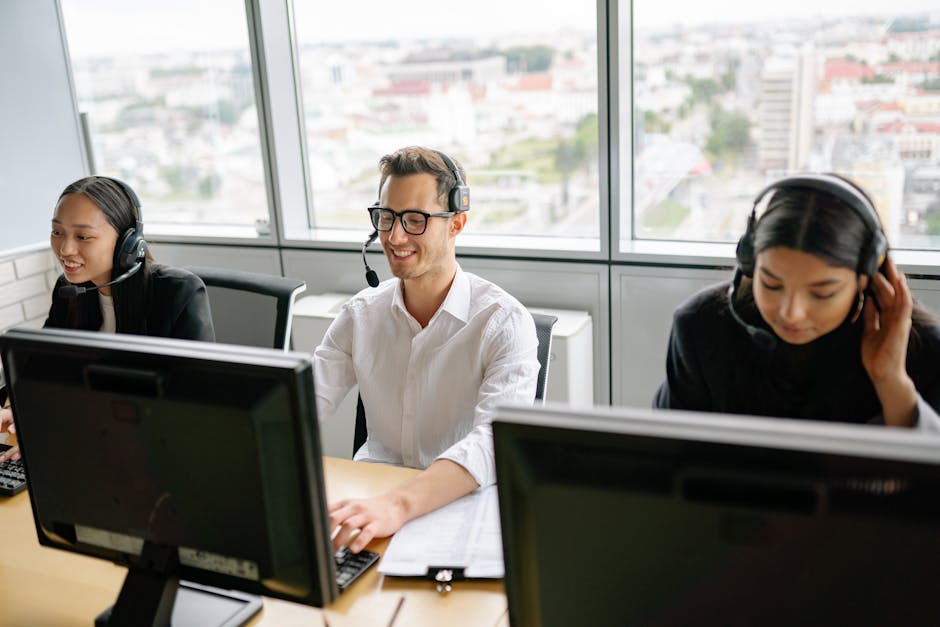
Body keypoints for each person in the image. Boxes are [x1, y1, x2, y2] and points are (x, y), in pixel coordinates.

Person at [315, 146, 540, 553]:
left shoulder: (504, 322)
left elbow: (493, 443)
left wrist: (398, 505)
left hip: (462, 508)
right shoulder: (361, 315)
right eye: (386, 218)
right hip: (374, 502)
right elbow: (302, 401)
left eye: (415, 220)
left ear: (457, 223)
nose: (395, 237)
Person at [654, 173, 940, 431]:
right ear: (750, 265)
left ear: (867, 277)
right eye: (771, 284)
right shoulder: (701, 326)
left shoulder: (924, 349)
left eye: (822, 293)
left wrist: (890, 379)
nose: (791, 314)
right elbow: (666, 454)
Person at [0, 176, 215, 461]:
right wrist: (18, 404)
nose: (65, 250)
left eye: (83, 236)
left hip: (159, 457)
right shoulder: (71, 292)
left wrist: (66, 433)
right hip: (93, 452)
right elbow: (42, 368)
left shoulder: (176, 292)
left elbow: (194, 405)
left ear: (128, 243)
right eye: (57, 232)